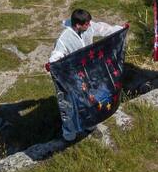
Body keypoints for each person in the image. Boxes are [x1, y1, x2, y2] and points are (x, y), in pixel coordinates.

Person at [46, 9, 128, 141]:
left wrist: (120, 29)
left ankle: (90, 125)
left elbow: (102, 28)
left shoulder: (87, 27)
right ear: (78, 25)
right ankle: (69, 135)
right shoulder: (64, 38)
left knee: (91, 98)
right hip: (72, 77)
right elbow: (57, 54)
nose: (90, 25)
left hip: (88, 72)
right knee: (69, 104)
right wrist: (52, 64)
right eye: (87, 24)